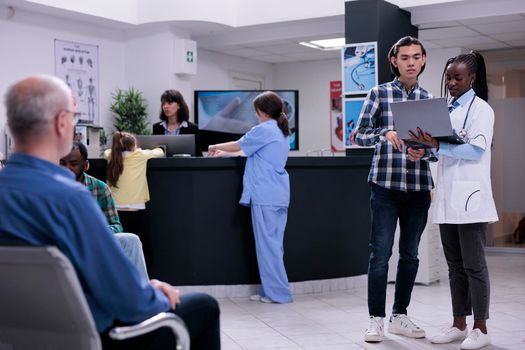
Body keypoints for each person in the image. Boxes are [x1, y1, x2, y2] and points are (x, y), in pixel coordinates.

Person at [0, 75, 220, 350]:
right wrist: (155, 294)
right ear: (60, 123)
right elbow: (129, 301)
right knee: (204, 306)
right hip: (92, 335)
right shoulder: (70, 199)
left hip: (20, 335)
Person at [408, 52, 497, 350]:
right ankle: (459, 324)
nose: (452, 82)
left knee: (474, 265)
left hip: (470, 198)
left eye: (458, 77)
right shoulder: (444, 109)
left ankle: (480, 328)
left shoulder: (481, 109)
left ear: (472, 78)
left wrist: (437, 144)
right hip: (447, 197)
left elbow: (475, 151)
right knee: (455, 266)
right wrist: (425, 149)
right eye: (449, 77)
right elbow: (443, 150)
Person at [352, 36, 434, 343]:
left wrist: (423, 152)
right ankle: (376, 320)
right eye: (405, 57)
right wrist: (383, 133)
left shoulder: (429, 99)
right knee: (380, 255)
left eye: (416, 56)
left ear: (423, 60)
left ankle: (400, 315)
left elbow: (438, 149)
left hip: (418, 187)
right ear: (394, 61)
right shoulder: (379, 93)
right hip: (385, 186)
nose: (411, 62)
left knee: (410, 255)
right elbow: (357, 135)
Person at [208, 91, 293, 304]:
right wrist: (225, 154)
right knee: (273, 245)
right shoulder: (280, 130)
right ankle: (269, 290)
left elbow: (238, 145)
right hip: (278, 194)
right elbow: (250, 152)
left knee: (268, 247)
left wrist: (215, 146)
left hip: (265, 195)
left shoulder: (263, 129)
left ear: (260, 111)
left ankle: (279, 294)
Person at [60, 141, 149, 280]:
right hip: (65, 243)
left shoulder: (100, 188)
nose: (67, 168)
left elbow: (116, 225)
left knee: (132, 240)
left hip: (96, 240)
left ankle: (143, 295)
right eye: (62, 163)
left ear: (86, 165)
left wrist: (98, 231)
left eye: (73, 164)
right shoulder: (51, 188)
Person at [105, 131, 164, 210]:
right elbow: (160, 152)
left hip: (114, 203)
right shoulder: (140, 154)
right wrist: (159, 148)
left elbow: (106, 152)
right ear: (133, 146)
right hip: (135, 204)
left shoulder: (111, 155)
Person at [152, 89, 202, 156]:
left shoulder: (192, 128)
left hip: (184, 165)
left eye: (169, 103)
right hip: (162, 165)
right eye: (163, 104)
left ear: (179, 105)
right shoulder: (157, 127)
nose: (165, 106)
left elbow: (198, 155)